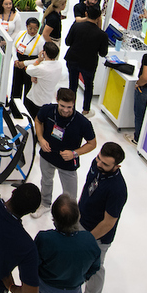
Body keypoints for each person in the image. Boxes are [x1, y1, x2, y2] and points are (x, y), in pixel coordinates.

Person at [32, 88, 97, 218]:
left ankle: (70, 216)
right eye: (62, 106)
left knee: (70, 193)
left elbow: (92, 143)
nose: (66, 110)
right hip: (47, 155)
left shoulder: (83, 123)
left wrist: (74, 153)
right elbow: (38, 121)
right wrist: (41, 138)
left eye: (69, 107)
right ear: (57, 100)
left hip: (67, 162)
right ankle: (45, 204)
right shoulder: (47, 110)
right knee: (46, 181)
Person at [78, 143, 128, 293]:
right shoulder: (96, 164)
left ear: (117, 166)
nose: (99, 164)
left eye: (105, 164)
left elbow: (108, 223)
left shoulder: (117, 189)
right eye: (99, 158)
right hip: (81, 222)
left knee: (96, 268)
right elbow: (87, 188)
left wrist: (89, 239)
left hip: (98, 235)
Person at [33, 194, 101, 293]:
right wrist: (82, 277)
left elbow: (34, 263)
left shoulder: (45, 239)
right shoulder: (89, 241)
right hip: (72, 291)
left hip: (46, 288)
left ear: (54, 218)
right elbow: (95, 267)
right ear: (78, 216)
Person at [63, 5, 108, 117]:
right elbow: (103, 53)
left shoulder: (76, 26)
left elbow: (68, 42)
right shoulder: (102, 35)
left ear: (86, 14)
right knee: (88, 86)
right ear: (98, 18)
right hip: (89, 63)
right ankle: (86, 110)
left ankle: (70, 108)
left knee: (72, 85)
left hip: (73, 59)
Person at [17, 41, 63, 118]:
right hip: (48, 99)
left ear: (44, 53)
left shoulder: (42, 68)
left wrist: (38, 60)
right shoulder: (59, 65)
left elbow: (29, 69)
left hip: (36, 100)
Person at [12, 18, 45, 101]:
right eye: (30, 28)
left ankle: (26, 109)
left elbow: (40, 58)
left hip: (30, 65)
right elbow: (13, 46)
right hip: (18, 62)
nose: (32, 31)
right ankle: (14, 106)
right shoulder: (21, 34)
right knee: (16, 85)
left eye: (35, 29)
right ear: (27, 27)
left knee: (28, 87)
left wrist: (24, 63)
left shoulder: (40, 41)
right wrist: (15, 60)